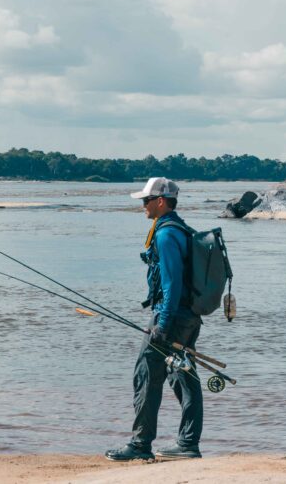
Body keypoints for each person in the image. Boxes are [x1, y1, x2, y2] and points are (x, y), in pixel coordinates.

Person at [105, 177, 203, 461]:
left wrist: (162, 324)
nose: (142, 206)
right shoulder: (180, 228)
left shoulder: (166, 234)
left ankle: (140, 444)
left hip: (170, 316)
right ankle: (187, 443)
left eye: (146, 200)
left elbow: (171, 283)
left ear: (160, 201)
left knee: (147, 375)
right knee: (183, 376)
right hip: (188, 315)